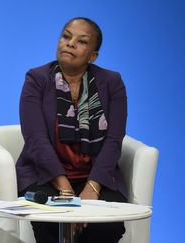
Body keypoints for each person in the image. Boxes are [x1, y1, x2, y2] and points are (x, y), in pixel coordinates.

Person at [16, 17, 127, 243]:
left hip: (96, 178)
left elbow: (114, 140)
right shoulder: (36, 79)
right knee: (52, 220)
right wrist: (66, 191)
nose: (70, 43)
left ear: (92, 56)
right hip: (46, 177)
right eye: (66, 36)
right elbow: (35, 139)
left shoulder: (112, 82)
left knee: (107, 227)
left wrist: (92, 188)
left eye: (81, 41)